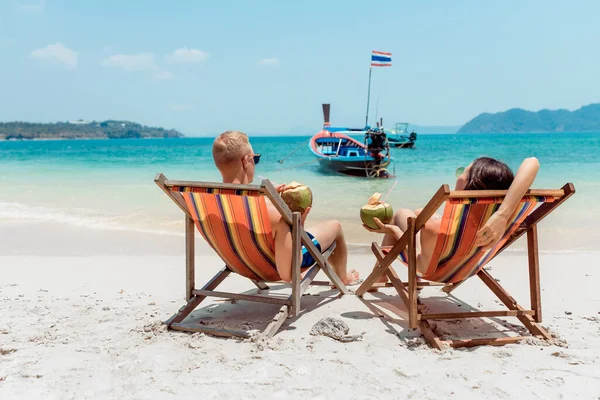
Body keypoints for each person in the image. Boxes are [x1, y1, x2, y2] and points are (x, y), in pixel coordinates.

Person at [212, 130, 360, 284]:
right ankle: (343, 277)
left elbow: (239, 209)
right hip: (275, 268)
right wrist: (298, 226)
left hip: (240, 264)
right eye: (255, 160)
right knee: (335, 226)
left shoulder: (210, 202)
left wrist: (266, 197)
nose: (255, 165)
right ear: (245, 161)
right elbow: (289, 274)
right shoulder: (274, 212)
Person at [364, 157, 540, 277]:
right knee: (410, 213)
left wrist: (393, 229)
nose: (459, 176)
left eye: (463, 172)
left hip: (428, 268)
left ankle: (378, 275)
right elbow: (532, 161)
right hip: (463, 268)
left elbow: (421, 263)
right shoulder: (497, 219)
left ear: (469, 183)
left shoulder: (439, 229)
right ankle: (379, 274)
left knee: (402, 215)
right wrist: (502, 215)